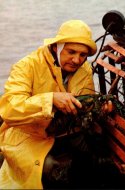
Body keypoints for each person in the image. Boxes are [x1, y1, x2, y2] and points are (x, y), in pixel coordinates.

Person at [0, 20, 104, 189]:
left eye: (83, 55)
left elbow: (87, 101)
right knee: (49, 168)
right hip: (27, 135)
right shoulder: (27, 65)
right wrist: (50, 99)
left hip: (63, 132)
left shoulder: (84, 69)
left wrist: (101, 107)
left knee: (99, 161)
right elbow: (9, 109)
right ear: (57, 47)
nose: (77, 60)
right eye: (71, 52)